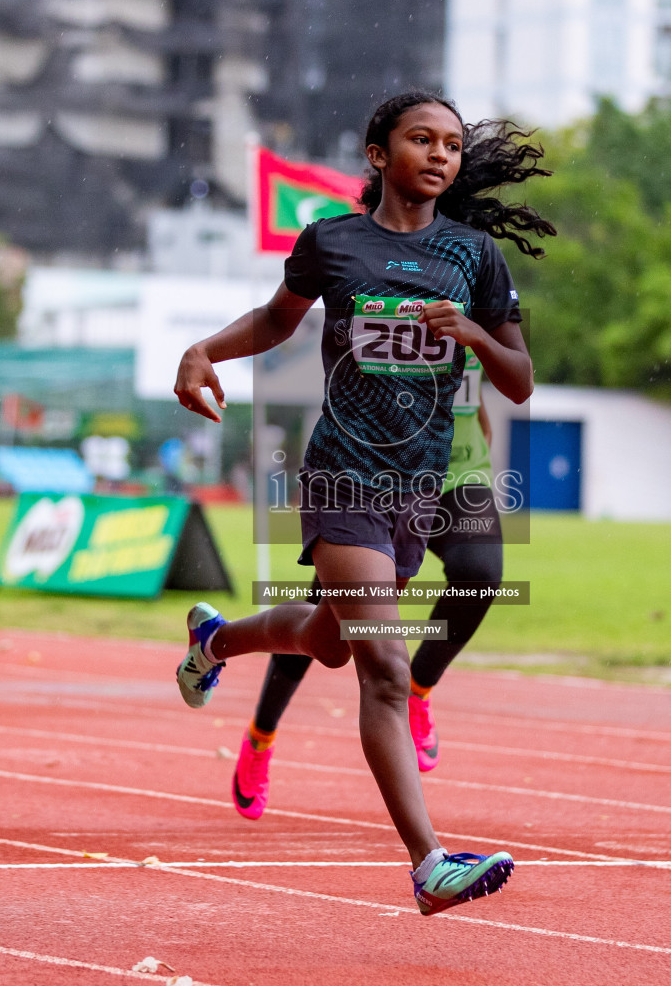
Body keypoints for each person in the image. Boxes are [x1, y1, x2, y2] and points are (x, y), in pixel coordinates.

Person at [172, 91, 552, 916]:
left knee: (328, 640)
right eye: (422, 139)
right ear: (379, 154)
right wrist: (205, 350)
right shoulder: (333, 243)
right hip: (343, 476)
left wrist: (476, 335)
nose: (442, 154)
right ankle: (429, 864)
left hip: (420, 489)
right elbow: (277, 322)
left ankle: (215, 639)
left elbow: (518, 382)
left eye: (452, 144)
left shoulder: (474, 256)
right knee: (382, 666)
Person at [232, 350, 503, 820]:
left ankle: (418, 689)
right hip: (382, 477)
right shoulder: (392, 286)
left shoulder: (477, 283)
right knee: (327, 628)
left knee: (479, 573)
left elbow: (488, 382)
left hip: (459, 475)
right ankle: (262, 734)